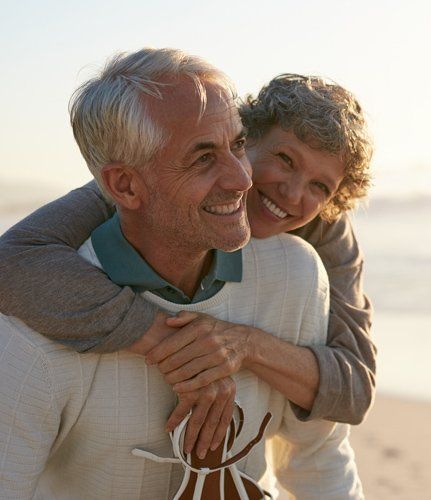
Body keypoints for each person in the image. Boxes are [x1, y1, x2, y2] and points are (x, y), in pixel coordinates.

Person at [0, 47, 363, 498]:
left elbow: (332, 431)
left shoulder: (301, 269)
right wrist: (179, 348)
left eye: (235, 147)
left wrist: (243, 345)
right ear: (125, 186)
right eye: (203, 157)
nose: (242, 179)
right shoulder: (33, 317)